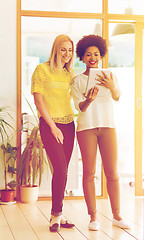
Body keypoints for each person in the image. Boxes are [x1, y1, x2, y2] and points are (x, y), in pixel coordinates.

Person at [71, 35, 130, 231]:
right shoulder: (77, 80)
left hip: (107, 126)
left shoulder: (110, 76)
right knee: (89, 173)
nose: (92, 57)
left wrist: (111, 86)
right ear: (82, 57)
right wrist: (89, 99)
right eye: (88, 54)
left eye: (96, 54)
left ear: (101, 55)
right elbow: (80, 107)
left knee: (112, 173)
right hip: (86, 128)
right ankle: (93, 217)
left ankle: (117, 215)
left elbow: (117, 96)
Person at [31, 34, 75, 232]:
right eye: (63, 49)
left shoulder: (69, 74)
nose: (67, 53)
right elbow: (39, 101)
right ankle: (56, 215)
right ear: (56, 49)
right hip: (50, 125)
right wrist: (53, 126)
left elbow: (78, 96)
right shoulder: (42, 70)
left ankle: (58, 213)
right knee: (61, 169)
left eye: (70, 50)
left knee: (62, 171)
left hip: (69, 124)